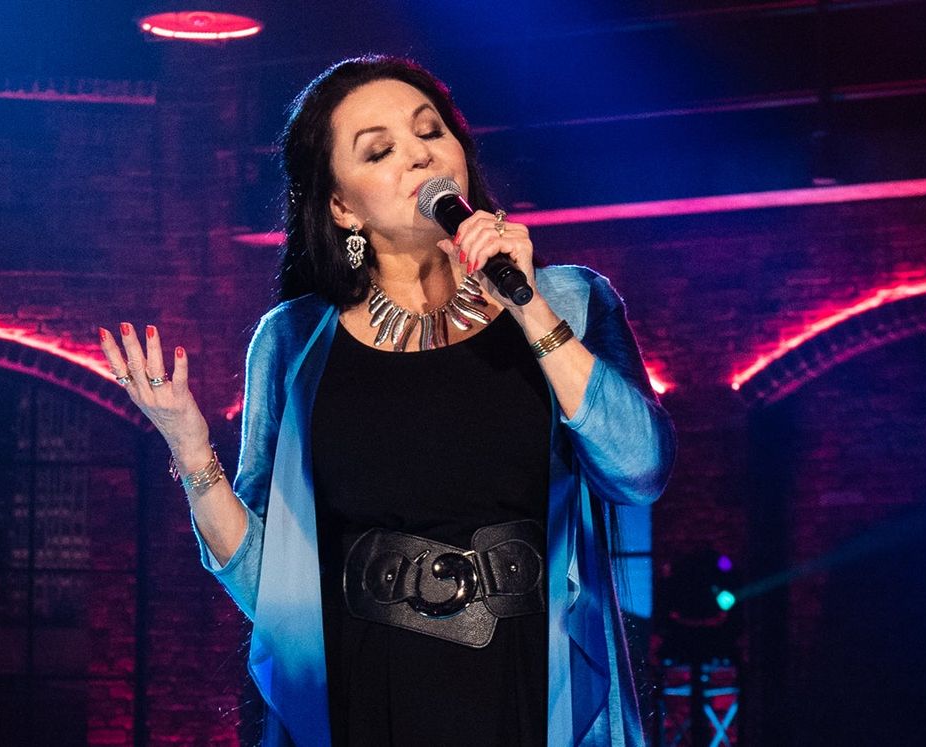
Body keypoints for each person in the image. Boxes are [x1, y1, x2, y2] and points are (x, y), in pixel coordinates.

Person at [100, 55, 675, 747]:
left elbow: (640, 471)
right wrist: (191, 450)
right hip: (367, 693)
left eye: (431, 131)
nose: (419, 154)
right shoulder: (293, 343)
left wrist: (530, 310)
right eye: (380, 150)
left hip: (529, 684)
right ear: (342, 206)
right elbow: (265, 585)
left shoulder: (573, 301)